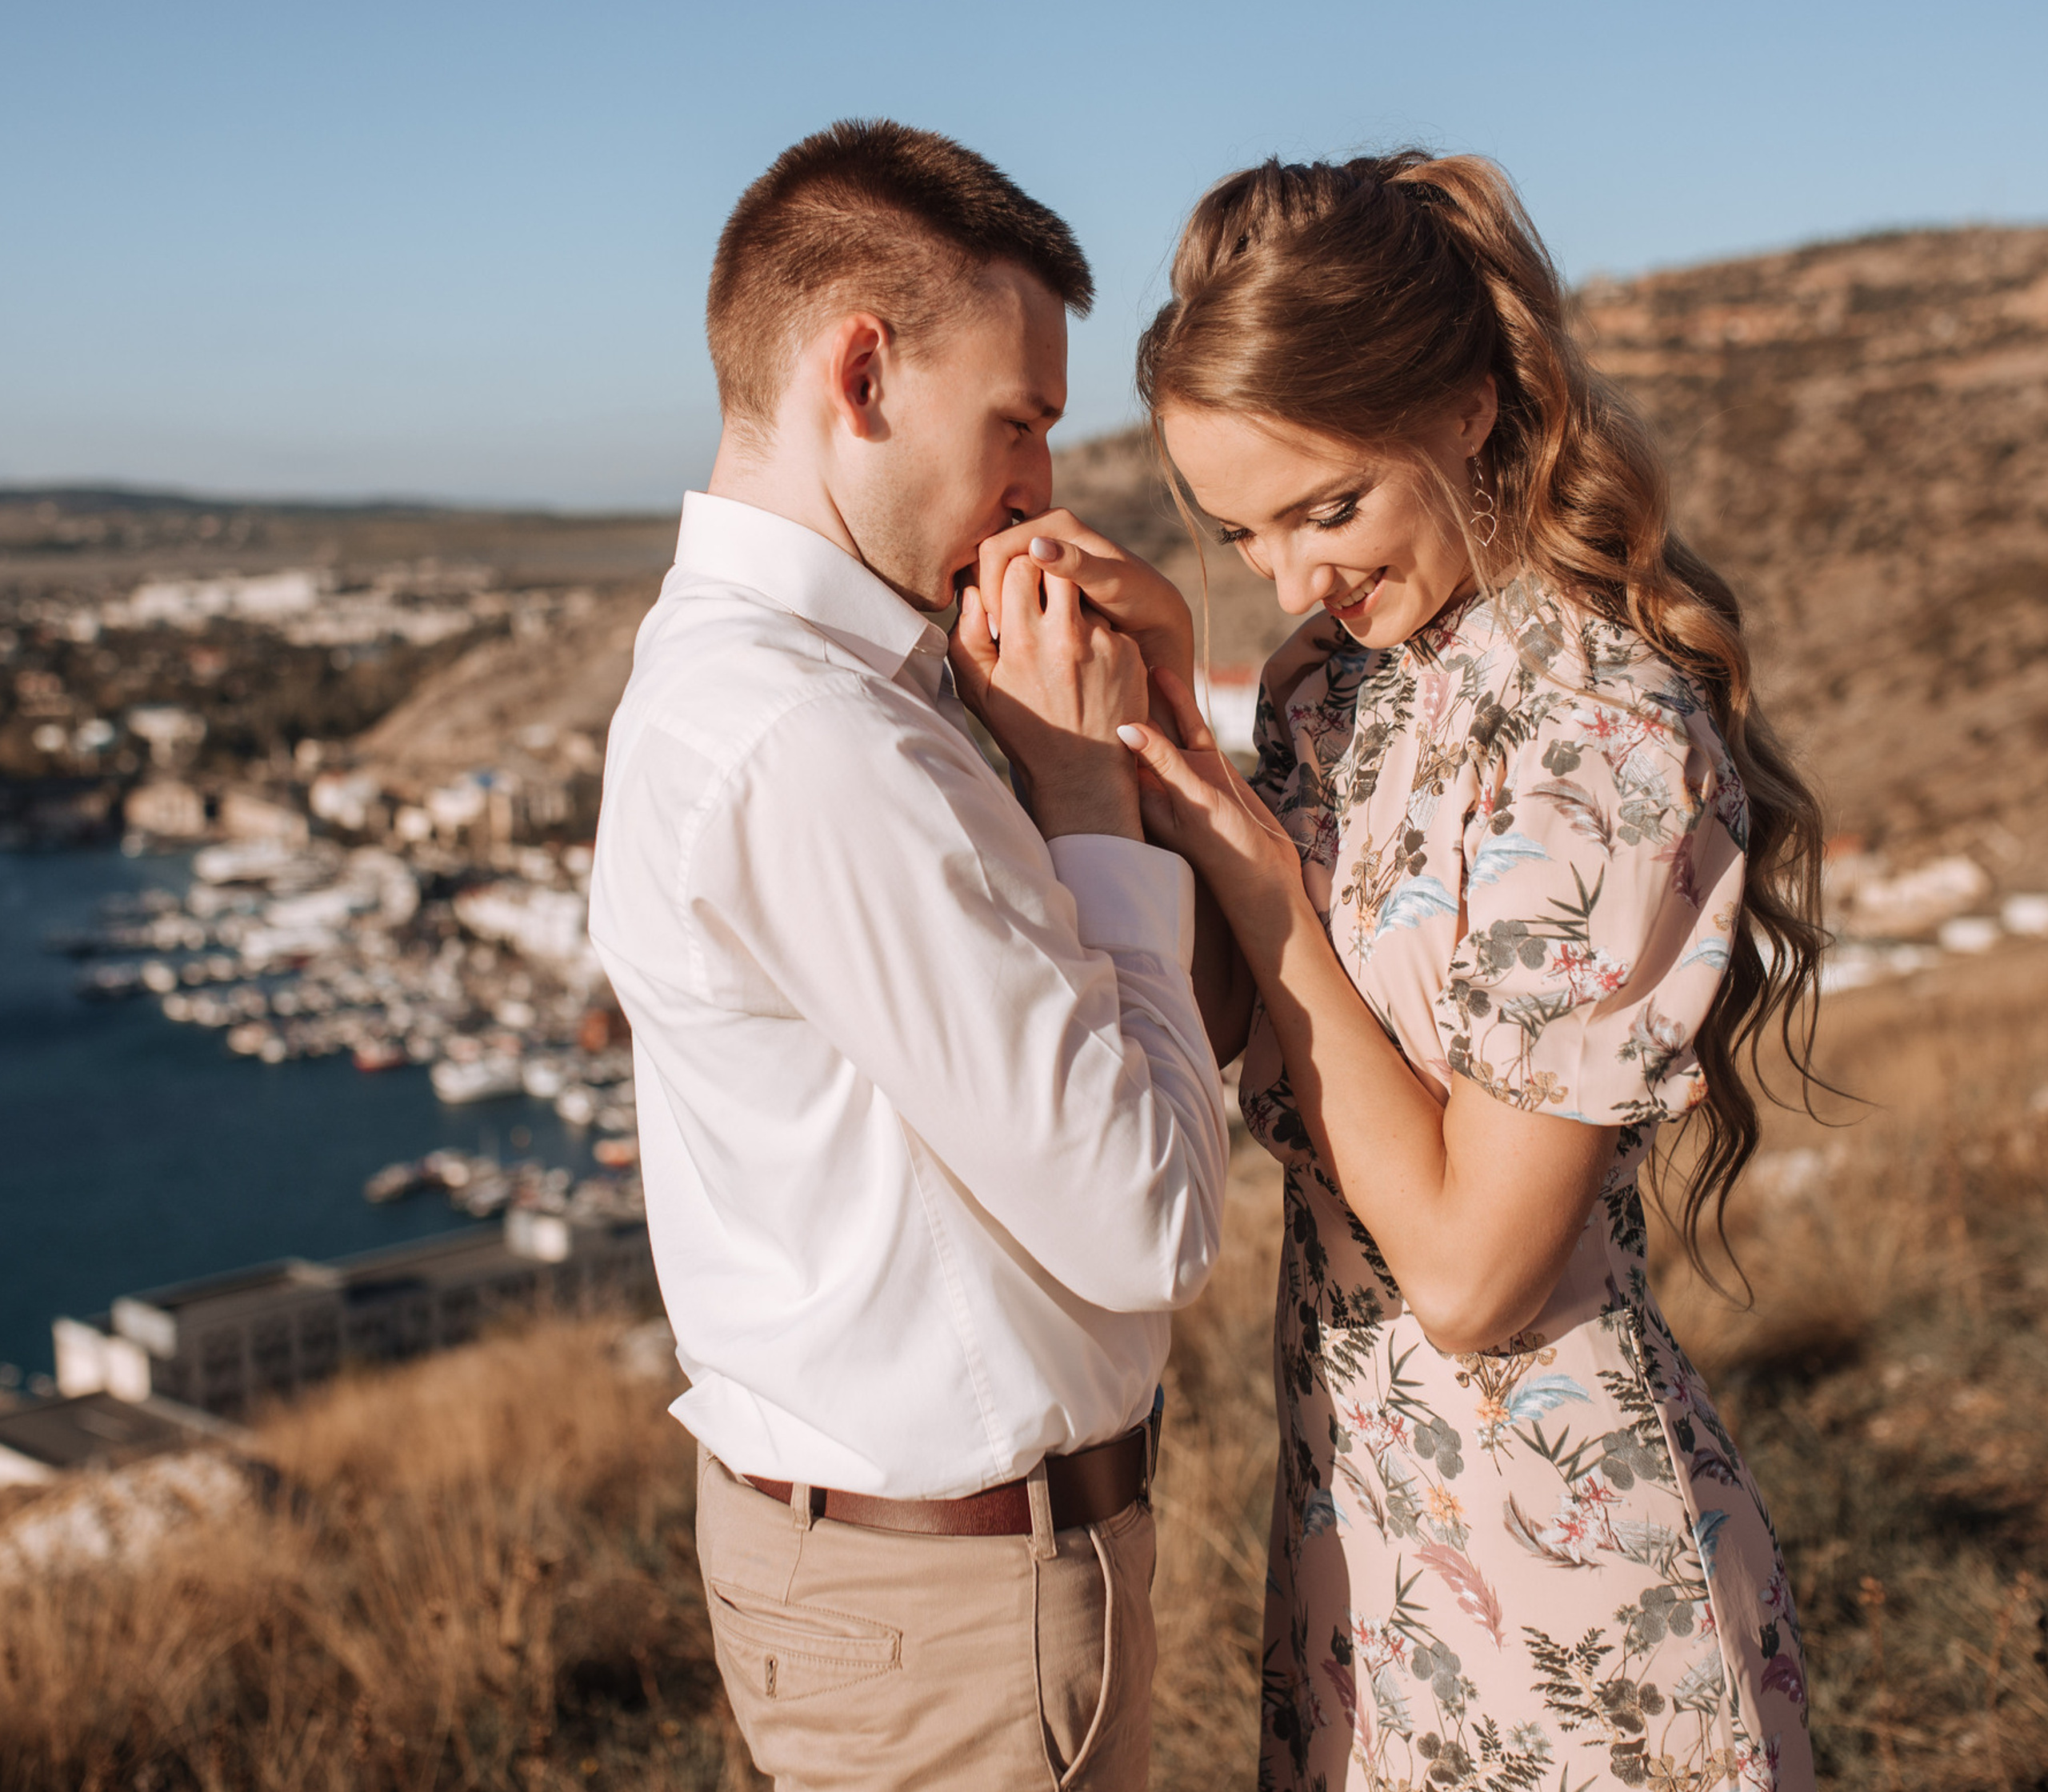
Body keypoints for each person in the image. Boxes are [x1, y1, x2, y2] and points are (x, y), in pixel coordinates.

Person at [996, 151, 1823, 1790]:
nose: (1292, 580)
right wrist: (1167, 700)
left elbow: (1466, 1271)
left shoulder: (1599, 730)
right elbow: (1250, 1038)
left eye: (1327, 506)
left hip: (1565, 1561)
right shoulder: (1334, 681)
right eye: (1240, 528)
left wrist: (1271, 896)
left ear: (1460, 409)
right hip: (1360, 1526)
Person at [586, 118, 1230, 1792]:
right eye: (1014, 420)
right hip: (952, 1614)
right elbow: (1151, 1214)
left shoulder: (825, 686)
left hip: (919, 1584)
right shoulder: (818, 739)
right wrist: (1086, 785)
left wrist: (1145, 715)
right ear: (858, 371)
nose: (1036, 483)